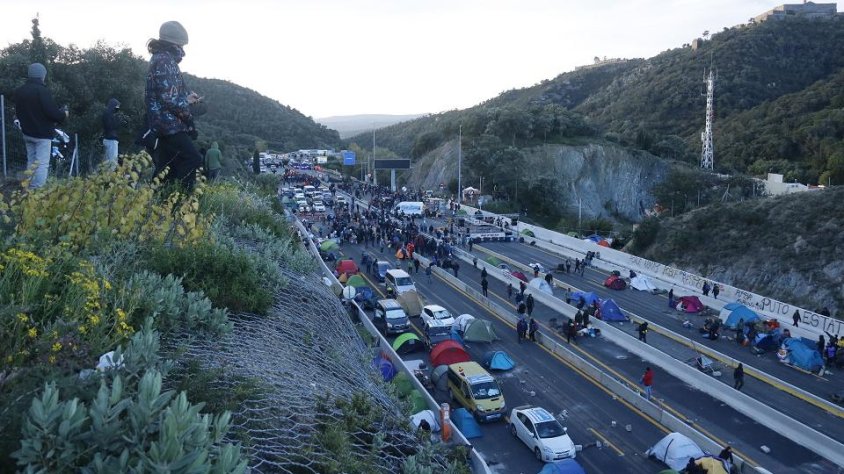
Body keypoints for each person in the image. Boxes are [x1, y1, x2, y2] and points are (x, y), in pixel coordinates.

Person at [145, 20, 203, 190]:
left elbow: (167, 92)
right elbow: (168, 99)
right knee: (193, 159)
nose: (183, 49)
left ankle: (154, 204)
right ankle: (180, 205)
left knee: (166, 167)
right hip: (169, 124)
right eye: (182, 44)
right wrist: (188, 102)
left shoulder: (160, 58)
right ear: (174, 42)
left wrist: (186, 95)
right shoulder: (165, 61)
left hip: (161, 123)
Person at [13, 63, 68, 189]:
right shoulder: (42, 91)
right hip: (42, 135)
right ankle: (37, 191)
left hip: (27, 133)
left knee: (31, 162)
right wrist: (64, 114)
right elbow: (53, 113)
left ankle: (28, 190)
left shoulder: (20, 91)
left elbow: (19, 112)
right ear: (42, 75)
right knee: (42, 164)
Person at [102, 98, 121, 169]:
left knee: (107, 162)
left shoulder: (106, 113)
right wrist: (118, 121)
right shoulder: (109, 114)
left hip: (107, 139)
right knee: (113, 163)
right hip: (111, 140)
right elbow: (111, 126)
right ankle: (110, 178)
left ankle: (105, 178)